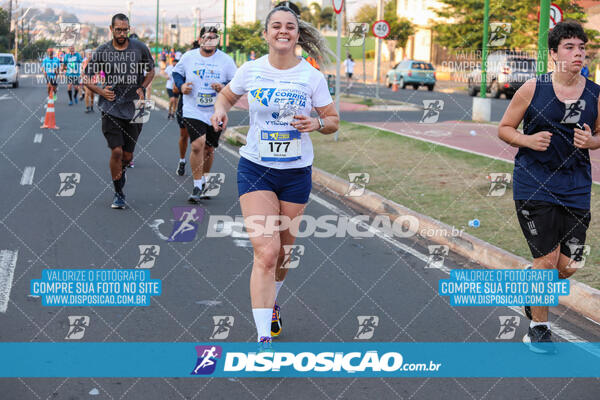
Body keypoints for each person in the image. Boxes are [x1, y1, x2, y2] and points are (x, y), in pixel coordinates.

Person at [210, 5, 339, 352]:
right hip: (255, 168)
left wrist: (317, 124)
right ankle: (263, 336)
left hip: (296, 172)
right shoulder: (251, 70)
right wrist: (220, 110)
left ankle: (274, 302)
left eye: (290, 27)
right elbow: (226, 95)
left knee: (284, 252)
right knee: (266, 252)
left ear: (297, 35)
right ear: (266, 34)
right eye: (276, 26)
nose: (283, 31)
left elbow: (332, 120)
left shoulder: (311, 76)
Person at [497, 21, 600, 353]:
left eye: (582, 48)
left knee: (570, 265)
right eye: (570, 48)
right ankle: (539, 327)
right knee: (547, 258)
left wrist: (592, 141)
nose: (578, 53)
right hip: (533, 182)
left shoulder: (595, 93)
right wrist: (527, 138)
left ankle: (533, 280)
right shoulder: (532, 88)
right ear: (553, 54)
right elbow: (505, 129)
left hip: (576, 184)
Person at [83, 13, 155, 209]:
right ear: (111, 29)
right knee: (116, 151)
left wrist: (143, 86)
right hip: (111, 107)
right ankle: (118, 192)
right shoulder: (102, 51)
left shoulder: (139, 48)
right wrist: (100, 91)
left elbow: (151, 70)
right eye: (118, 30)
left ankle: (121, 172)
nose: (122, 33)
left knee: (128, 156)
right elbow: (86, 77)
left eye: (125, 29)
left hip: (135, 108)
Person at [172, 26, 237, 202]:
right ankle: (197, 184)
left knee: (209, 148)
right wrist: (182, 85)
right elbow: (177, 72)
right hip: (193, 109)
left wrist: (223, 87)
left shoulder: (226, 60)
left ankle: (206, 180)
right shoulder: (189, 57)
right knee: (197, 145)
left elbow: (235, 82)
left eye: (213, 38)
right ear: (200, 39)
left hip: (216, 110)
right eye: (206, 37)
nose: (209, 40)